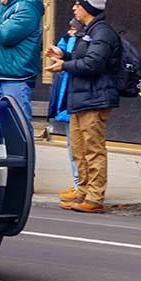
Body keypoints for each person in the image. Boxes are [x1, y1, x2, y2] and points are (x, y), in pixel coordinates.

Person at [44, 0, 120, 214]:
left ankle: (95, 196)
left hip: (94, 99)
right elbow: (83, 58)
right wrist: (63, 55)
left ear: (87, 7)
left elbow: (93, 64)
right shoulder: (89, 31)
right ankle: (83, 190)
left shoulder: (102, 33)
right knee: (79, 148)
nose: (74, 8)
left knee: (93, 149)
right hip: (81, 98)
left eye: (77, 5)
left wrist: (63, 66)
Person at [46, 18, 83, 196]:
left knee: (80, 145)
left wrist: (63, 58)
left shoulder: (87, 40)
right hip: (71, 99)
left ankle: (81, 185)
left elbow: (82, 63)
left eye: (73, 29)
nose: (70, 32)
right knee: (74, 144)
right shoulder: (69, 40)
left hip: (79, 100)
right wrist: (58, 53)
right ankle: (79, 184)